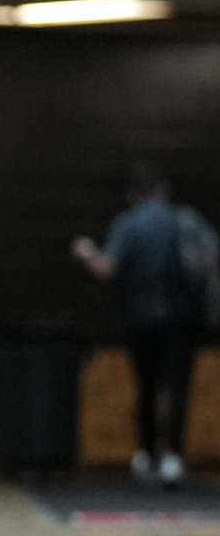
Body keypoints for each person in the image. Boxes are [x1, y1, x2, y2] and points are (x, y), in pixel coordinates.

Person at [73, 167, 216, 486]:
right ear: (164, 191)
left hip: (142, 319)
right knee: (178, 387)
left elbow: (106, 268)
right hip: (182, 317)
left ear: (133, 196)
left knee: (146, 386)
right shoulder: (186, 220)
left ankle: (147, 455)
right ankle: (173, 458)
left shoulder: (127, 224)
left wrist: (87, 252)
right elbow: (212, 254)